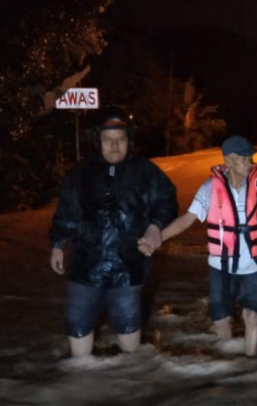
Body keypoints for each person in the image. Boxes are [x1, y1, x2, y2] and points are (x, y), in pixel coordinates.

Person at [142, 136, 257, 356]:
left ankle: (249, 360)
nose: (250, 163)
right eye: (244, 159)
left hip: (255, 263)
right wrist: (158, 238)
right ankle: (228, 360)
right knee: (220, 320)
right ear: (229, 160)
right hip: (222, 264)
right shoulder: (210, 188)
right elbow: (187, 219)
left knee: (252, 315)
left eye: (250, 159)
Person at [49, 107, 179, 358]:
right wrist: (57, 244)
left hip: (129, 266)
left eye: (120, 139)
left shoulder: (145, 171)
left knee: (129, 329)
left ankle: (129, 382)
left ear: (129, 142)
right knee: (77, 326)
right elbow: (66, 212)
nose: (115, 146)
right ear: (98, 142)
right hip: (85, 267)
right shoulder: (80, 174)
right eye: (108, 140)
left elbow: (167, 201)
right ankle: (80, 382)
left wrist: (155, 227)